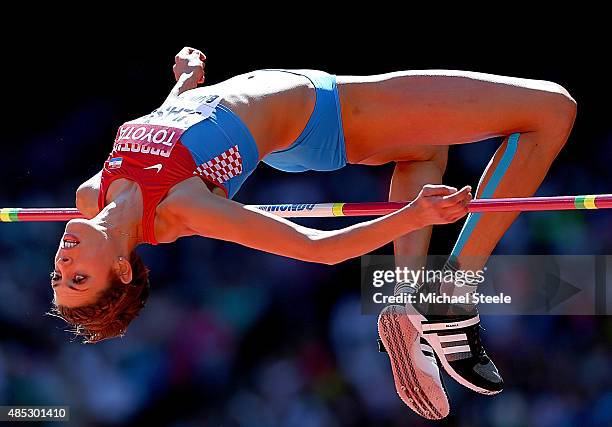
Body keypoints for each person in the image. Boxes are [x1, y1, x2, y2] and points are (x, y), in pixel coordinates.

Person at [49, 47, 576, 419]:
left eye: (59, 274)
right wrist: (415, 215)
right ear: (120, 268)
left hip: (289, 122)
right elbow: (315, 249)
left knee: (423, 149)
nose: (65, 261)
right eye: (78, 279)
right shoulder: (179, 211)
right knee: (551, 109)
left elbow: (171, 126)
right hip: (327, 113)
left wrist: (184, 82)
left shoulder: (90, 194)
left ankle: (409, 299)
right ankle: (451, 289)